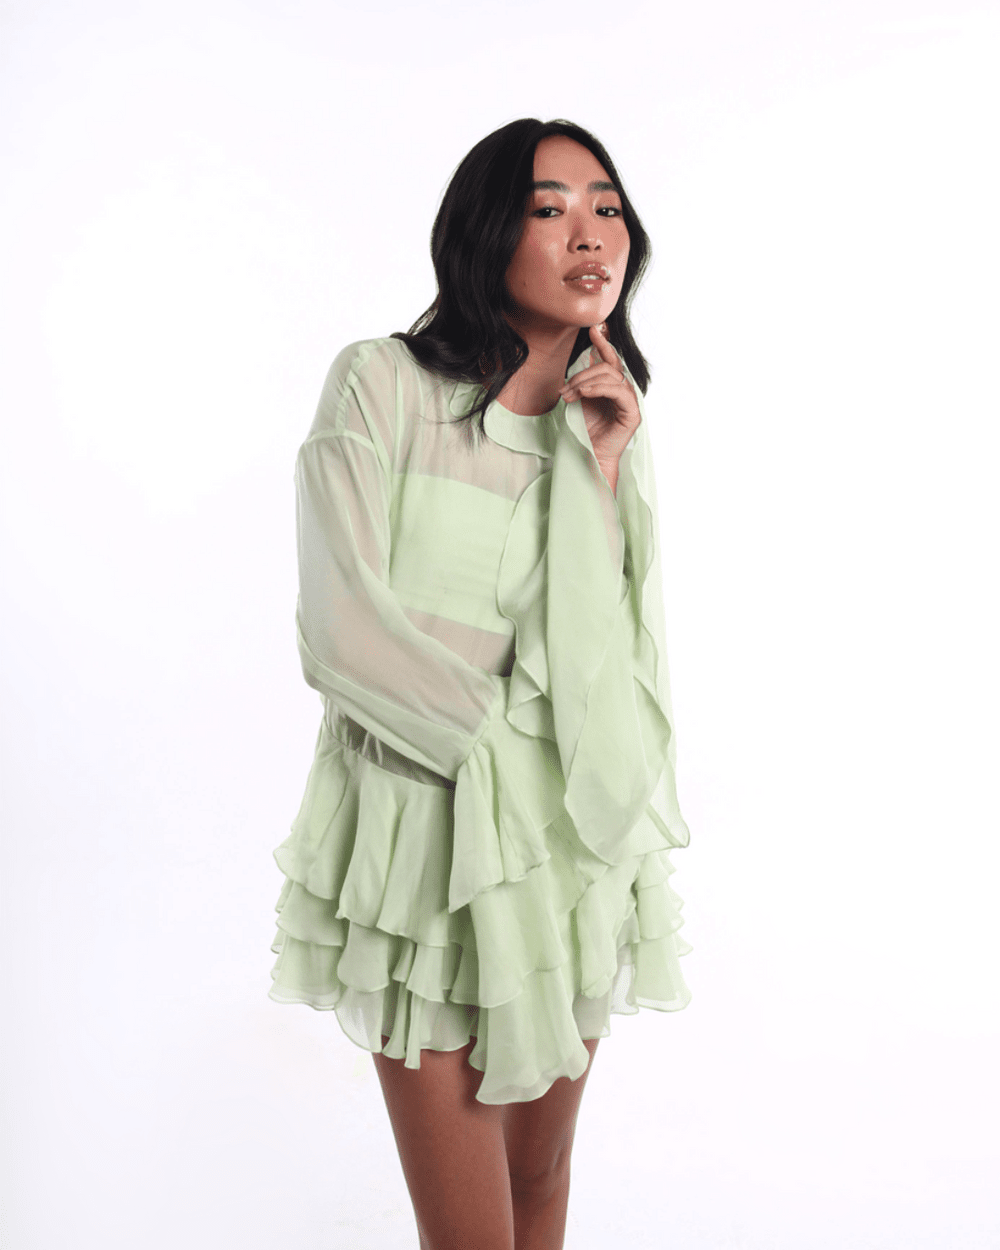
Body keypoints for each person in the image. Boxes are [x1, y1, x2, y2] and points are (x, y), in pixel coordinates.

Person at [268, 118, 692, 1250]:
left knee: (539, 1173)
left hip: (567, 844)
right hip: (428, 836)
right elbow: (340, 628)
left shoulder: (607, 419)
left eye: (606, 207)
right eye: (550, 208)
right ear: (486, 231)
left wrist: (602, 467)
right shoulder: (383, 382)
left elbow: (616, 659)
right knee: (469, 1230)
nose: (589, 234)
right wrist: (490, 745)